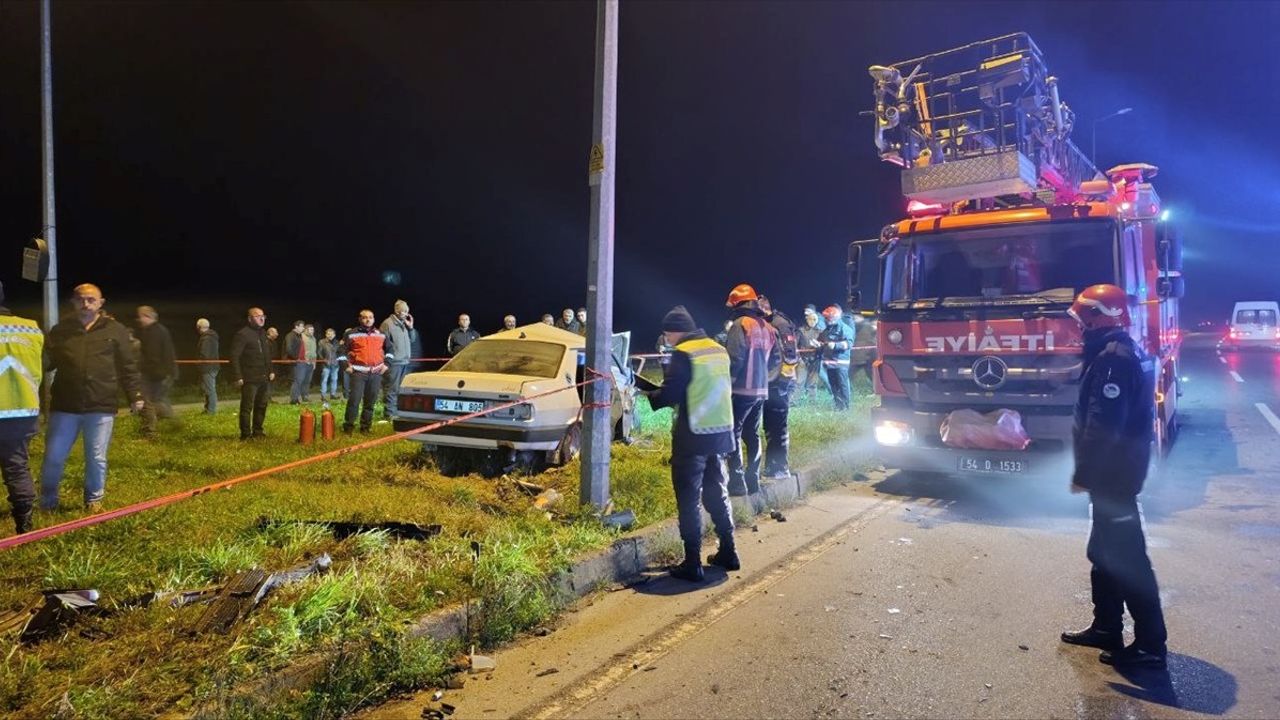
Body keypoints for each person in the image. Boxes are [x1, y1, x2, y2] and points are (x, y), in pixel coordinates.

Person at [1060, 284, 1167, 669]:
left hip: (1113, 477)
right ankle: (1106, 626)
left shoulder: (1113, 361)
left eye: (1085, 317)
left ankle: (1151, 645)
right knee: (1103, 553)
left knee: (1127, 558)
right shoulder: (1110, 356)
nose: (1080, 326)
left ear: (1103, 316)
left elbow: (1103, 426)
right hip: (1113, 475)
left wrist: (1084, 474)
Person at [644, 306, 738, 582]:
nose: (666, 340)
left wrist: (650, 393)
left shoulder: (684, 353)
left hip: (692, 434)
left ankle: (692, 562)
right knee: (716, 491)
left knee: (688, 498)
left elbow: (672, 392)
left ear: (674, 332)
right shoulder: (717, 348)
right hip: (720, 432)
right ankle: (729, 551)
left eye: (666, 335)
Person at [40, 284, 144, 513]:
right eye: (80, 300)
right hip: (65, 405)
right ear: (73, 302)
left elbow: (128, 366)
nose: (85, 304)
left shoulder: (115, 330)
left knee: (96, 457)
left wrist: (135, 395)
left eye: (90, 300)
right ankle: (47, 503)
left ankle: (93, 500)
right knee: (54, 456)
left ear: (100, 303)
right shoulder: (60, 330)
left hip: (101, 404)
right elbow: (46, 364)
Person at [723, 283, 779, 505]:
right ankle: (753, 480)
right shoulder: (768, 327)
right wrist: (765, 379)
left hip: (740, 390)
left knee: (734, 434)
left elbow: (735, 358)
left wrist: (728, 382)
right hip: (761, 390)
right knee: (752, 434)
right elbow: (776, 359)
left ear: (739, 304)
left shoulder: (740, 324)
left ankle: (737, 484)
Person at [0, 281, 44, 533]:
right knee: (17, 466)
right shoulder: (31, 328)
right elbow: (45, 363)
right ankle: (24, 524)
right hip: (23, 410)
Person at [758, 296, 799, 479]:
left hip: (780, 384)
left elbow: (790, 356)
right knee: (770, 426)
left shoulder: (780, 324)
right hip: (770, 383)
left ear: (764, 310)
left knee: (778, 426)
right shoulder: (767, 324)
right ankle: (772, 467)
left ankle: (780, 468)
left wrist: (782, 383)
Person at [229, 307, 275, 440]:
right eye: (257, 316)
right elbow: (235, 356)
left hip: (264, 377)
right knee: (247, 407)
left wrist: (271, 370)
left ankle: (258, 431)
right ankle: (245, 434)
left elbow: (267, 355)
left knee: (261, 405)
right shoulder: (242, 334)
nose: (261, 318)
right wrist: (238, 376)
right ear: (250, 319)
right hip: (249, 377)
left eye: (263, 316)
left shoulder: (263, 333)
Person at [343, 309, 388, 433]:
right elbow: (341, 352)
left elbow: (391, 350)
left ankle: (365, 428)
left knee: (370, 402)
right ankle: (349, 427)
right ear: (360, 319)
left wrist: (386, 365)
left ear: (374, 319)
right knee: (354, 401)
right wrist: (346, 366)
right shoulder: (351, 334)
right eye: (365, 317)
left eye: (370, 317)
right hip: (358, 373)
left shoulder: (381, 334)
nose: (368, 320)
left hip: (375, 373)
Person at [136, 305, 177, 436]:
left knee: (147, 401)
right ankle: (174, 422)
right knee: (159, 399)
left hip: (154, 373)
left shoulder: (152, 332)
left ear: (147, 316)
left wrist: (142, 368)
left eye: (140, 317)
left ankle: (149, 431)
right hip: (164, 372)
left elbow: (152, 355)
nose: (139, 320)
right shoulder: (161, 329)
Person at [381, 300, 418, 417]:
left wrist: (411, 328)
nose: (406, 313)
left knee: (401, 389)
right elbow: (382, 344)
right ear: (397, 311)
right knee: (392, 389)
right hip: (394, 362)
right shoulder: (387, 324)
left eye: (407, 311)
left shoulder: (404, 324)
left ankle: (398, 412)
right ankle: (389, 415)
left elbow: (412, 340)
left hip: (405, 361)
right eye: (404, 311)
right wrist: (386, 361)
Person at [819, 306, 853, 410]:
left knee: (842, 385)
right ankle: (838, 406)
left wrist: (835, 345)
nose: (827, 320)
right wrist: (817, 344)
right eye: (826, 318)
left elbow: (849, 344)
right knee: (833, 386)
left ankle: (845, 407)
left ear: (835, 317)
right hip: (830, 363)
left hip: (840, 362)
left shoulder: (844, 328)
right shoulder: (827, 330)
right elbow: (821, 340)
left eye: (829, 318)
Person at [797, 308, 826, 398]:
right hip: (803, 360)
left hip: (815, 360)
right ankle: (794, 401)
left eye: (814, 319)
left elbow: (824, 345)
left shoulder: (820, 332)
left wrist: (820, 346)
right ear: (806, 319)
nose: (812, 321)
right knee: (799, 381)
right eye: (810, 319)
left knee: (813, 383)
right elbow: (795, 345)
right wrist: (799, 358)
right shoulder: (801, 331)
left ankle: (812, 401)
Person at [196, 318, 219, 414]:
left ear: (199, 327)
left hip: (208, 367)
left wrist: (199, 362)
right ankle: (208, 408)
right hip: (212, 366)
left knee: (210, 389)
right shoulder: (211, 336)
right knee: (208, 388)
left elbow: (204, 354)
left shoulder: (206, 338)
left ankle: (211, 410)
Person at [285, 320, 311, 404]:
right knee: (297, 380)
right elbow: (289, 349)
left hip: (301, 361)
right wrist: (296, 358)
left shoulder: (299, 336)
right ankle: (293, 400)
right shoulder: (290, 335)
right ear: (296, 326)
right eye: (302, 326)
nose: (303, 328)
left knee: (300, 380)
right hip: (296, 362)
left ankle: (296, 398)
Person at [850, 314, 878, 385]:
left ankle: (876, 390)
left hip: (868, 356)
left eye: (855, 318)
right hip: (858, 357)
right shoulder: (855, 328)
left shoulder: (869, 327)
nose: (854, 319)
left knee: (871, 374)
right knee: (849, 373)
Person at [317, 328, 341, 401]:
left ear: (334, 335)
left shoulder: (337, 342)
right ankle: (323, 396)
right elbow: (319, 352)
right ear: (326, 334)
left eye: (331, 334)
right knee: (324, 380)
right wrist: (323, 360)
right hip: (325, 365)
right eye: (328, 334)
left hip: (335, 364)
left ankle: (333, 395)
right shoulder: (322, 342)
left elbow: (339, 352)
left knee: (334, 380)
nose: (330, 335)